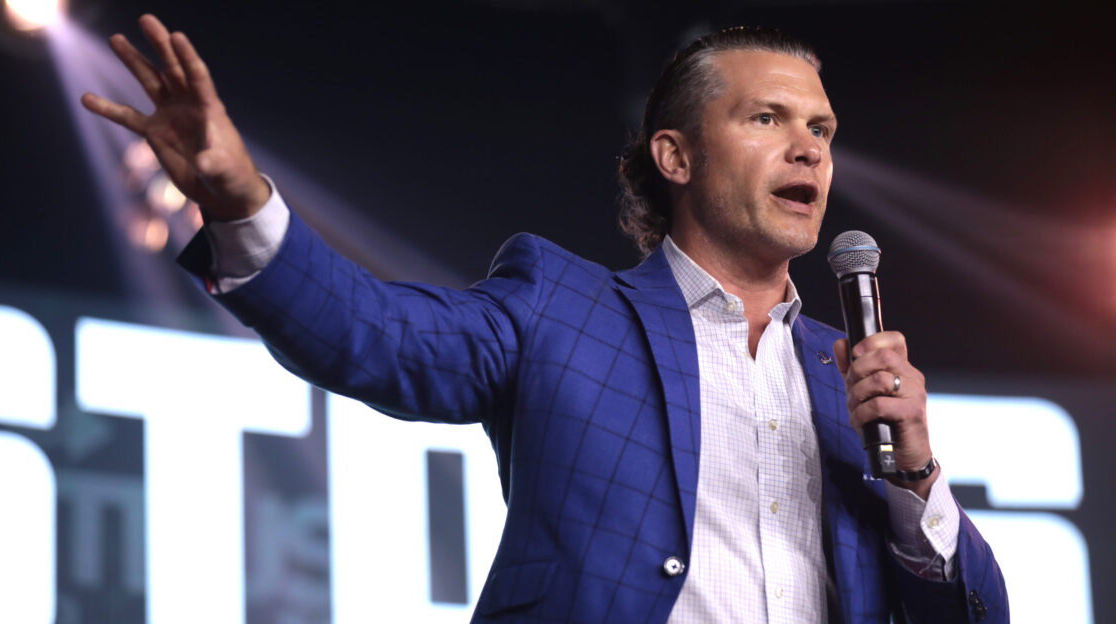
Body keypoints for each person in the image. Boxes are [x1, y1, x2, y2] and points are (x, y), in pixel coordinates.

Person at [82, 15, 1008, 623]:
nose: (809, 144)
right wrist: (241, 204)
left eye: (822, 129)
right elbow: (372, 335)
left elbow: (971, 614)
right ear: (675, 157)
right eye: (767, 118)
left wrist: (914, 475)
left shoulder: (844, 376)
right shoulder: (560, 307)